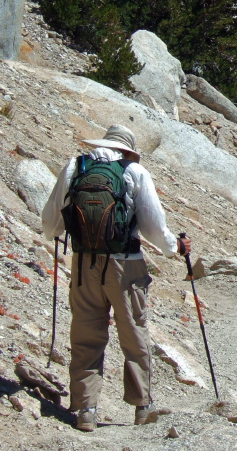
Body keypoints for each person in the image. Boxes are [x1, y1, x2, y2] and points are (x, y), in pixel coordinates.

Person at [42, 124, 191, 432]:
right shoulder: (134, 172)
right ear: (127, 150)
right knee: (133, 332)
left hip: (84, 263)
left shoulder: (76, 166)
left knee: (86, 335)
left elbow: (50, 224)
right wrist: (176, 247)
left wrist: (60, 233)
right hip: (126, 264)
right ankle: (142, 407)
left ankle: (86, 410)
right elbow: (154, 229)